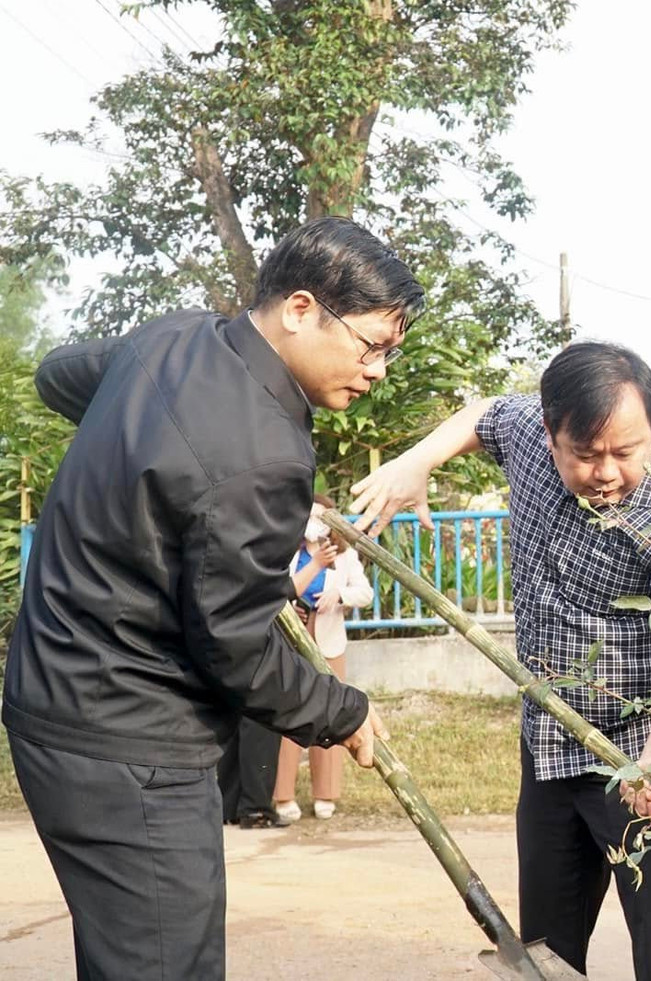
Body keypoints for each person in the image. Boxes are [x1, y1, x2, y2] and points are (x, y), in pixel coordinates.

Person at [4, 216, 415, 979]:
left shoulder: (171, 337)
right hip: (135, 746)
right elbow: (236, 644)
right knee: (167, 963)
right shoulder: (264, 452)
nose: (379, 370)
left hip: (49, 704)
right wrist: (341, 710)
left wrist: (139, 451)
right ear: (300, 309)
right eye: (371, 345)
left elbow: (59, 372)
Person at [349, 341, 651, 981]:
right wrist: (418, 460)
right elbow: (487, 412)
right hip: (548, 739)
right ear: (551, 434)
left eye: (627, 452)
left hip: (639, 752)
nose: (607, 471)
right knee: (545, 946)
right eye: (586, 454)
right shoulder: (528, 432)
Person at [274, 495, 376, 822]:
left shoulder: (344, 556)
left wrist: (340, 596)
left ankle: (325, 794)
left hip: (329, 639)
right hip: (291, 639)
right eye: (309, 516)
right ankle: (282, 795)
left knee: (331, 714)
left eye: (320, 517)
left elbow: (365, 592)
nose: (313, 523)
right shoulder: (286, 552)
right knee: (288, 714)